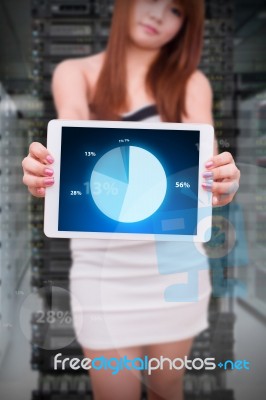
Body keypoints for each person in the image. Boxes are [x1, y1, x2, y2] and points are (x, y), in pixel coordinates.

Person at [22, 0, 240, 399]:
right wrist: (45, 169)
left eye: (176, 10)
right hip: (102, 271)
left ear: (185, 26)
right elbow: (68, 141)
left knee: (167, 388)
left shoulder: (192, 83)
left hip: (176, 269)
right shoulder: (76, 74)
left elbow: (205, 164)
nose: (158, 14)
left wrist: (222, 182)